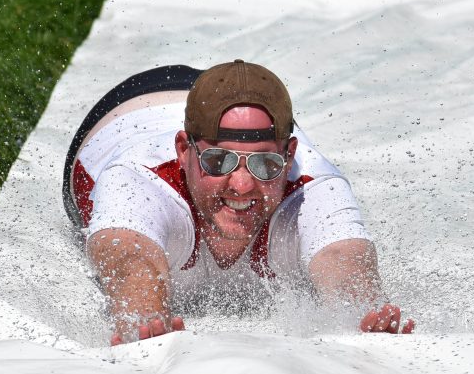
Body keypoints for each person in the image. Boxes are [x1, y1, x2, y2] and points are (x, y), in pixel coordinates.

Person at [63, 60, 414, 345]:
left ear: (289, 156)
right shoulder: (138, 181)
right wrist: (144, 321)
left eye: (265, 165)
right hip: (125, 108)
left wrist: (364, 315)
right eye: (219, 162)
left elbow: (345, 261)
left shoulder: (314, 188)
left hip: (215, 103)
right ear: (184, 151)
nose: (243, 186)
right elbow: (131, 263)